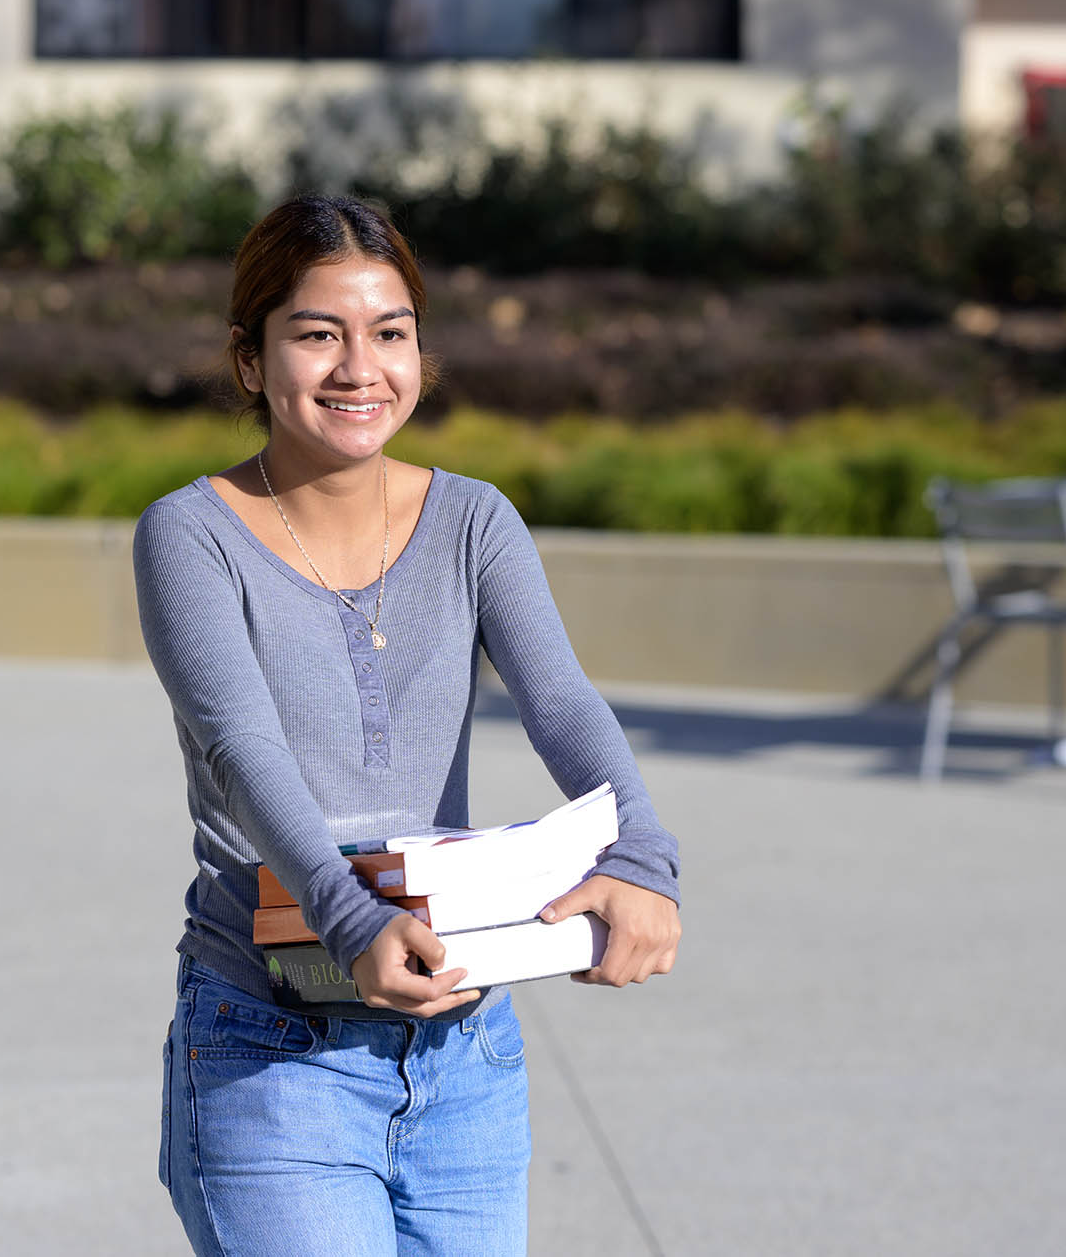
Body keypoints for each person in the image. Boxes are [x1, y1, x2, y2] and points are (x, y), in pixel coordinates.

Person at [134, 195, 681, 1256]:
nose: (359, 368)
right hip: (271, 1047)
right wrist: (348, 917)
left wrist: (643, 856)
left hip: (463, 1052)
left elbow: (561, 702)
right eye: (315, 333)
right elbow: (239, 748)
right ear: (248, 361)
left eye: (389, 332)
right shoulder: (189, 534)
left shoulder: (474, 519)